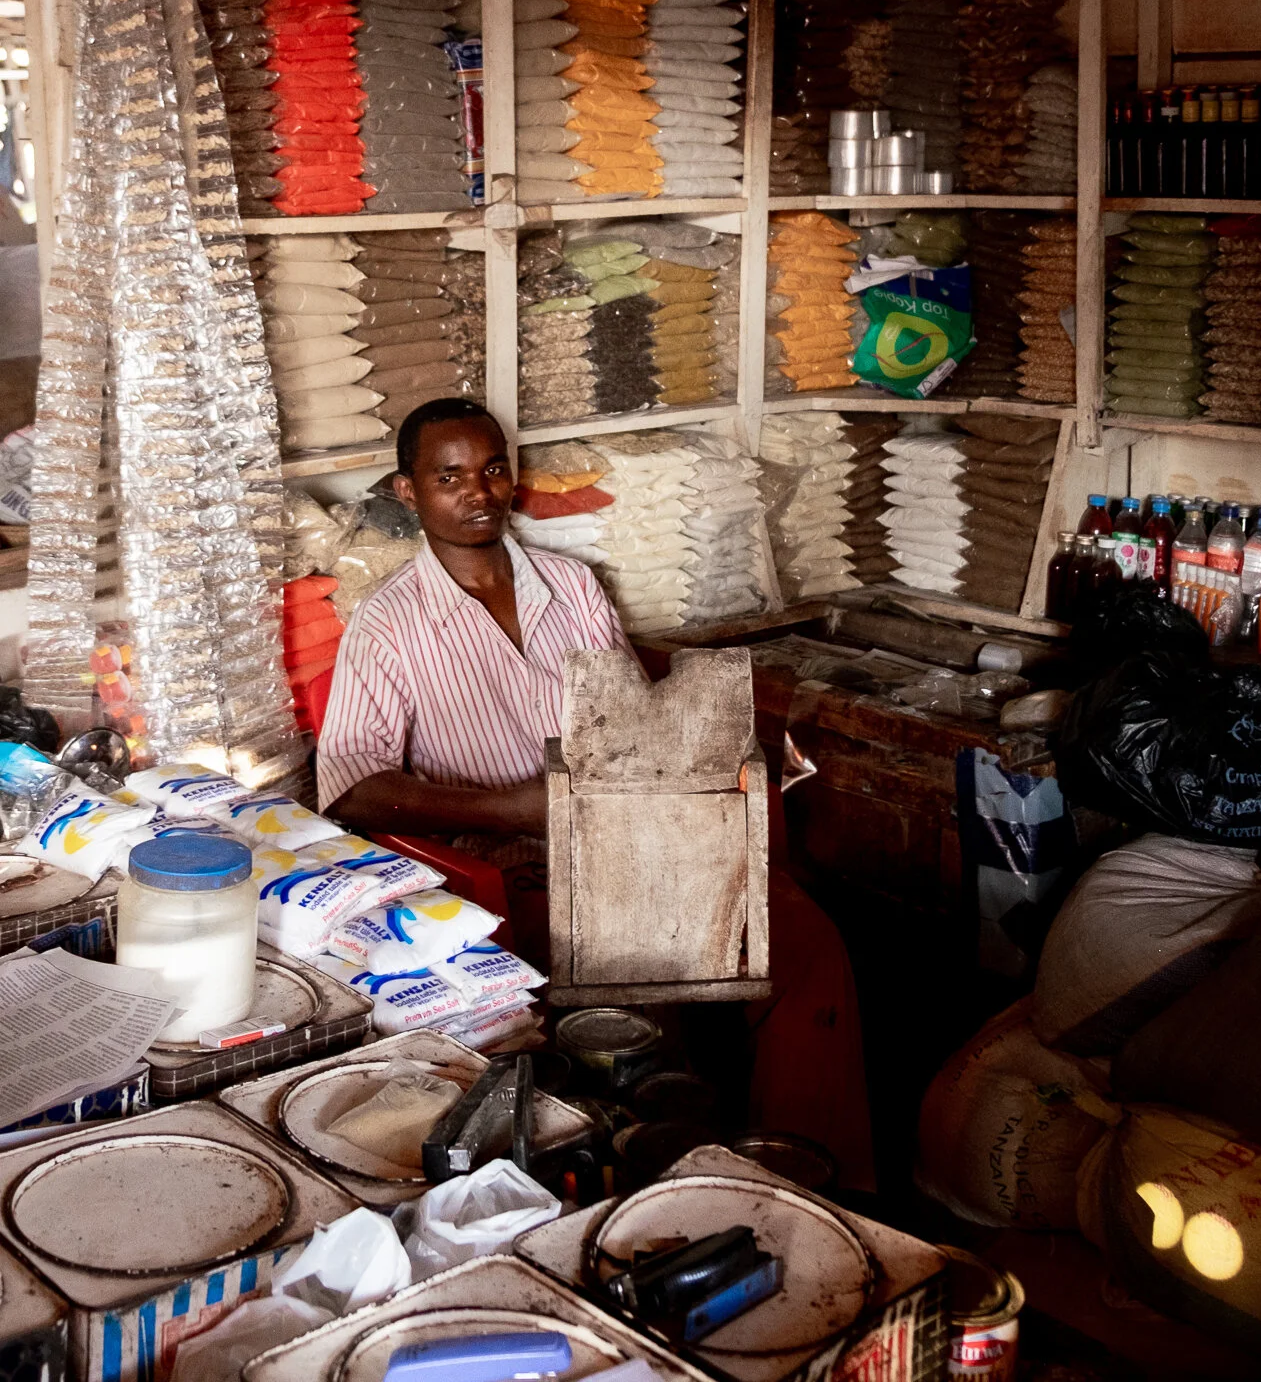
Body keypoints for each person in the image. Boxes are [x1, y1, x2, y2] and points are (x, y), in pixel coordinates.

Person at [318, 397, 875, 1190]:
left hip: (632, 842)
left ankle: (800, 1178)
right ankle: (667, 1165)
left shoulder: (572, 587)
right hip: (518, 875)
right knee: (640, 996)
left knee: (806, 946)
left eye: (492, 469)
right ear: (409, 493)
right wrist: (514, 807)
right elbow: (351, 789)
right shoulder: (388, 625)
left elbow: (627, 721)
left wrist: (717, 759)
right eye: (449, 477)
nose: (478, 493)